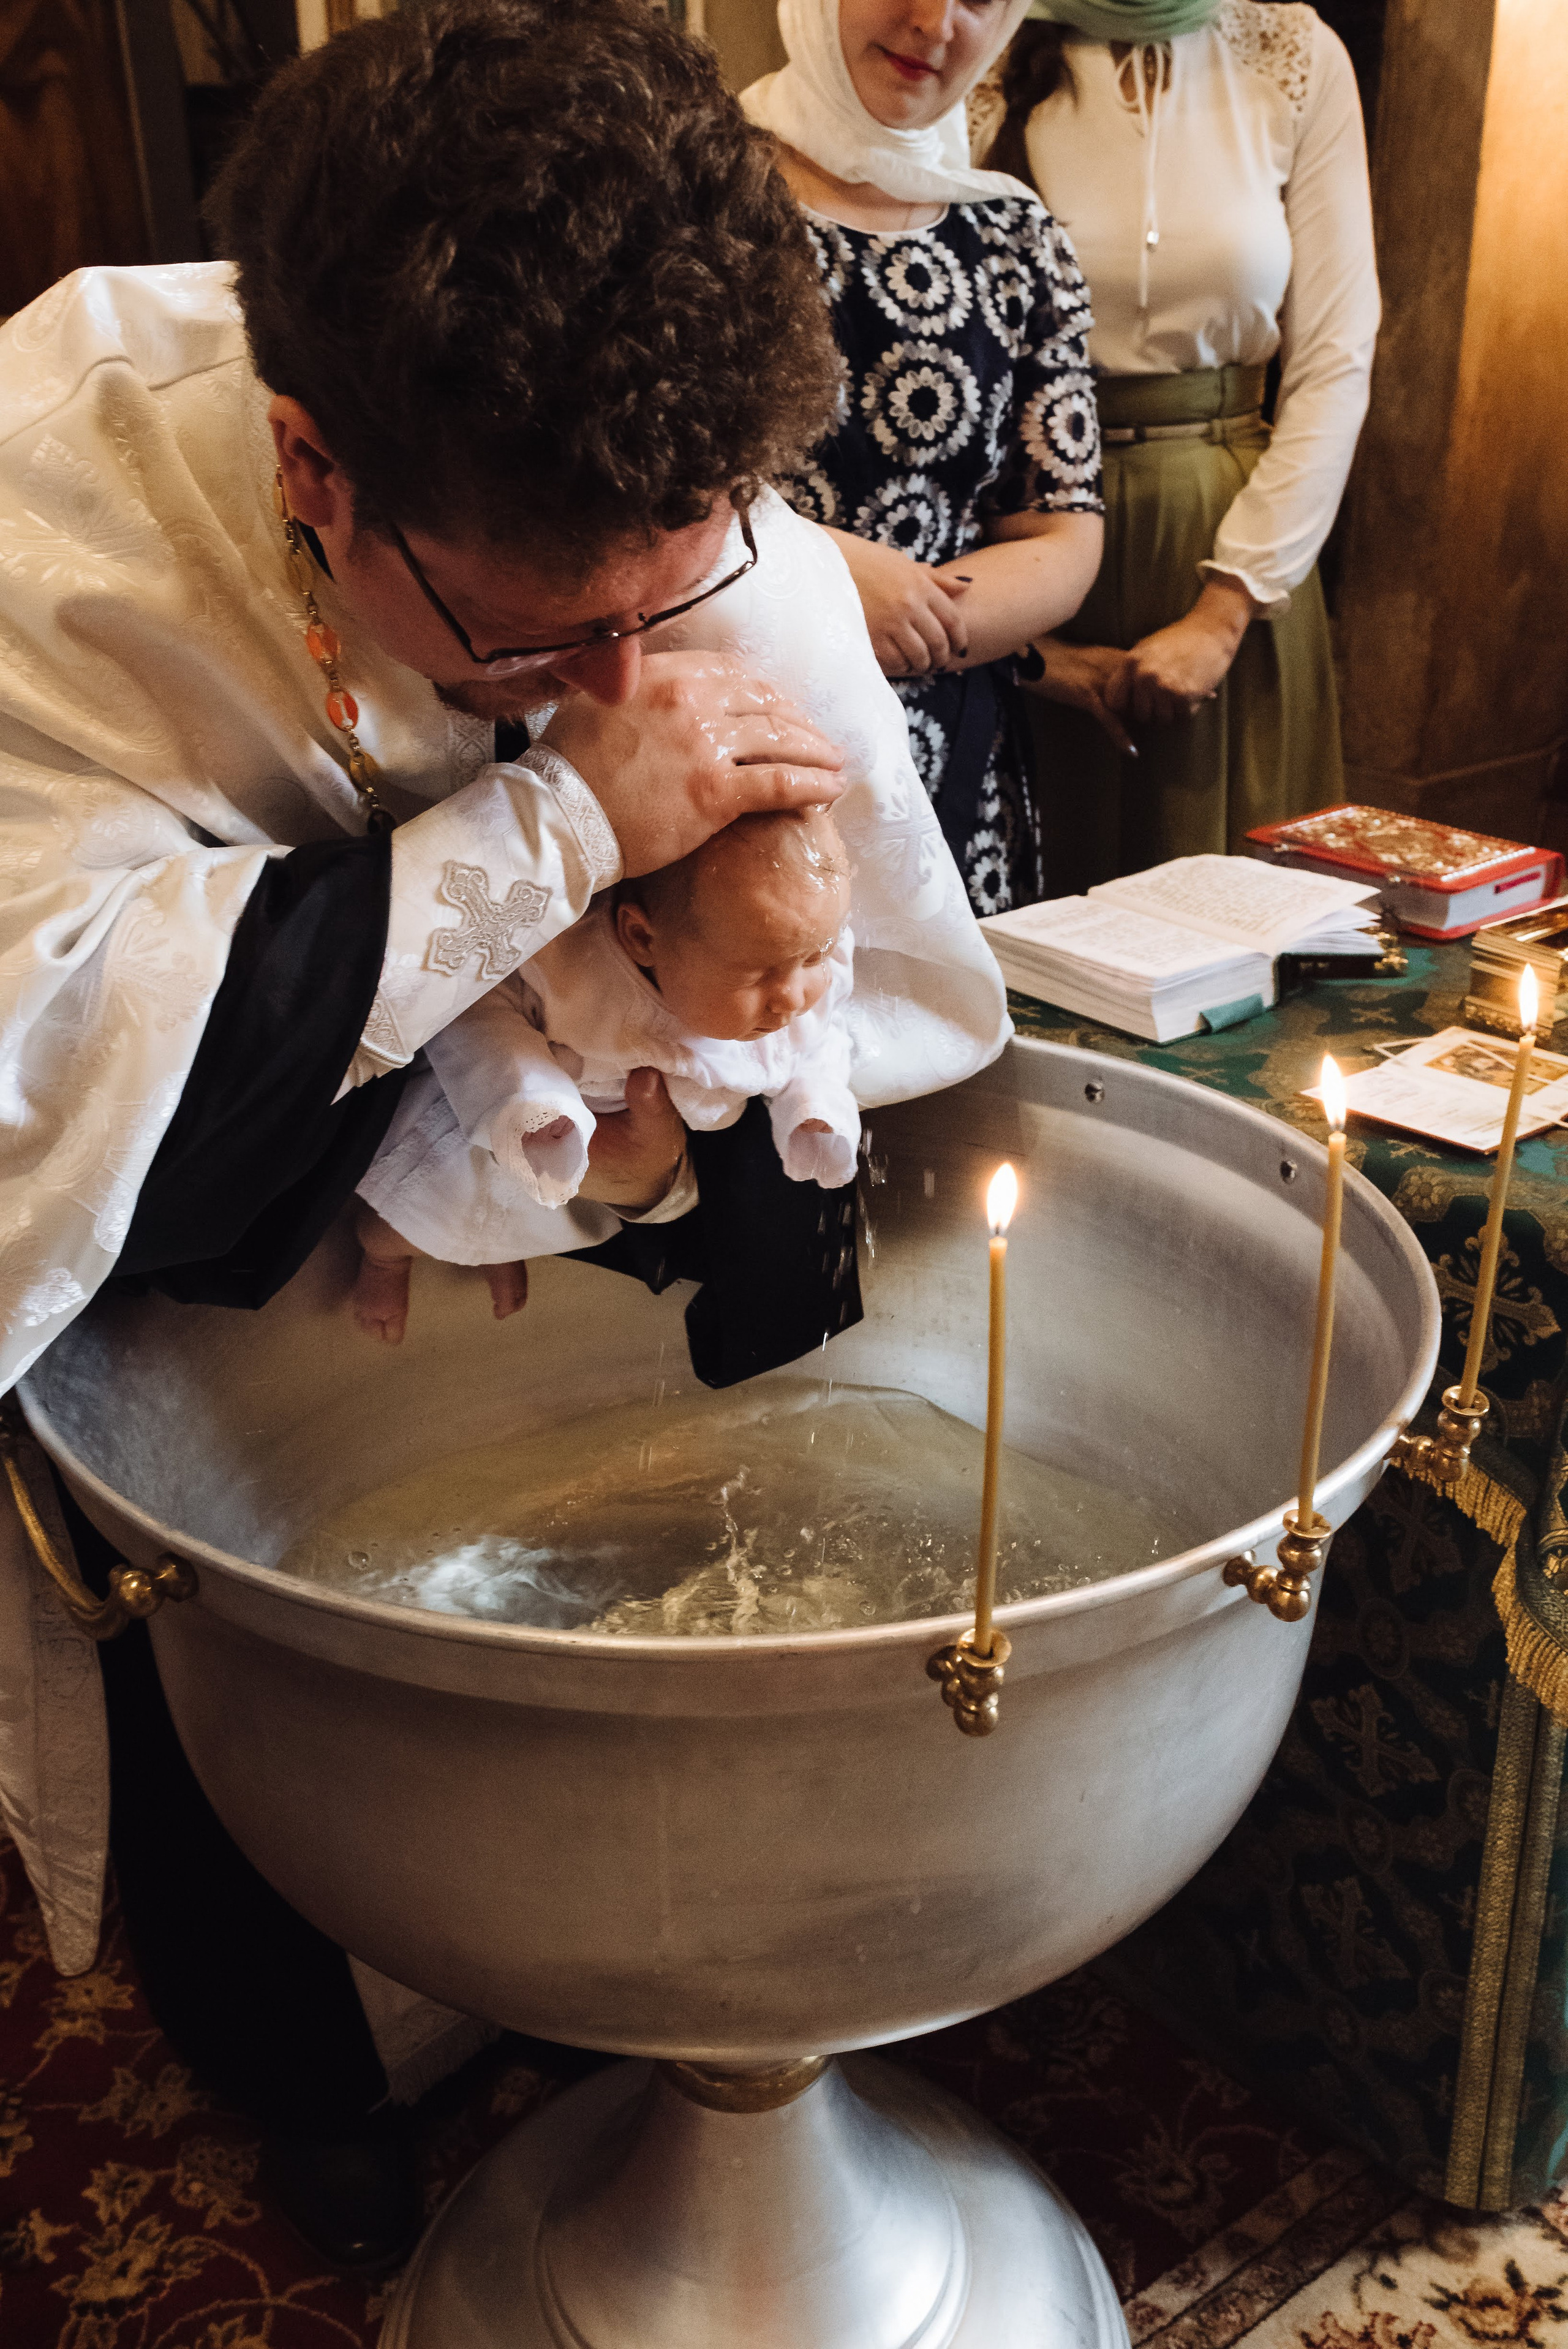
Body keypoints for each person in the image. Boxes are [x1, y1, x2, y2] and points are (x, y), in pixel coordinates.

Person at [0, 0, 1007, 2272]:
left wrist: (674, 1092)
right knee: (268, 1829)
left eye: (691, 591)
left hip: (568, 1208)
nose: (646, 677)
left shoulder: (659, 509)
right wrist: (553, 829)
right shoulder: (41, 518)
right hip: (225, 1267)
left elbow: (861, 994)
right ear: (308, 469)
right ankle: (322, 2086)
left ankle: (652, 1969)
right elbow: (77, 1125)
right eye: (552, 637)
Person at [987, 0, 1379, 892]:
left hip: (1233, 537)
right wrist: (1029, 648)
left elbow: (1336, 356)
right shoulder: (974, 39)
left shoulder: (1294, 55)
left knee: (1230, 907)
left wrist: (1227, 608)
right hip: (1024, 542)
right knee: (1040, 908)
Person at [746, 0, 1106, 917]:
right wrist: (824, 583)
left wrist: (916, 619)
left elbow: (1062, 532)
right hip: (737, 725)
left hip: (948, 753)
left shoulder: (1018, 240)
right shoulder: (694, 198)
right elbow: (632, 483)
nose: (932, 21)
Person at [353, 806, 861, 1343]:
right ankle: (383, 1256)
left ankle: (492, 1249)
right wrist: (531, 1095)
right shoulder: (570, 967)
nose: (792, 997)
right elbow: (475, 1006)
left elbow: (821, 1043)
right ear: (643, 938)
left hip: (613, 1157)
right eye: (757, 973)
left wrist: (815, 1109)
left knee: (542, 1221)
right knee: (434, 1201)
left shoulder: (793, 955)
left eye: (817, 955)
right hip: (505, 1110)